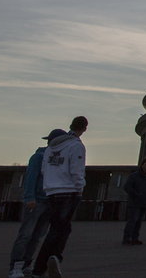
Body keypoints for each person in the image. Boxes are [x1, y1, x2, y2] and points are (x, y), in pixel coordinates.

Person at [32, 115, 89, 278]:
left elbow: (44, 170)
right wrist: (80, 187)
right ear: (84, 128)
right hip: (68, 191)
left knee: (59, 227)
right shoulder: (76, 145)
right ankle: (51, 259)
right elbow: (76, 170)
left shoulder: (50, 147)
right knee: (59, 229)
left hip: (51, 191)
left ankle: (47, 263)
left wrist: (49, 186)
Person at [7, 130, 59, 278]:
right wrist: (30, 197)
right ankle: (15, 267)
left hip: (49, 202)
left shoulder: (55, 159)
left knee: (37, 236)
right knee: (26, 234)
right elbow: (31, 178)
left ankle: (26, 265)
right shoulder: (38, 157)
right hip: (36, 201)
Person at [122, 157, 146, 245]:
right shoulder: (134, 176)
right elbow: (127, 187)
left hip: (144, 202)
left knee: (139, 221)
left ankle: (135, 238)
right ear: (142, 165)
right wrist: (136, 195)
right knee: (133, 220)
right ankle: (126, 238)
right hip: (135, 202)